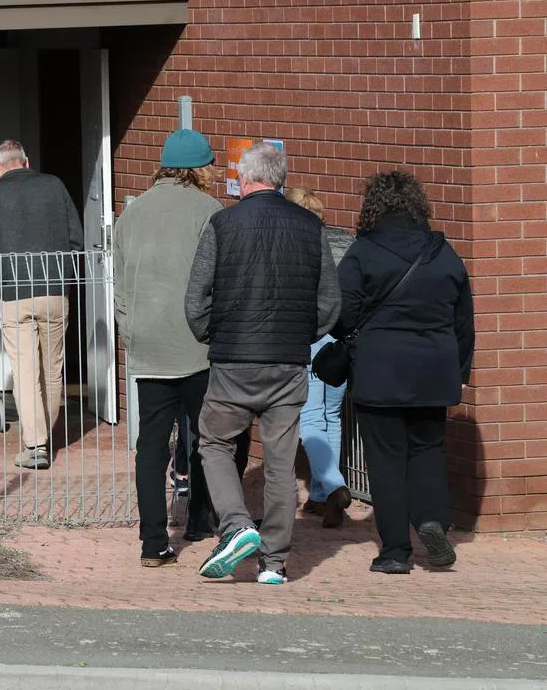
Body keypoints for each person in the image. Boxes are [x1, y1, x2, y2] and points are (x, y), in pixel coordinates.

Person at [185, 142, 340, 585]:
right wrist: (301, 336)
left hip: (233, 359)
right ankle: (274, 563)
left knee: (213, 443)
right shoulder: (311, 227)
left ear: (244, 178)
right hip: (288, 363)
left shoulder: (222, 223)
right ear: (281, 178)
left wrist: (208, 334)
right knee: (280, 463)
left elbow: (196, 298)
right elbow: (329, 302)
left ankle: (236, 525)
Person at [113, 128, 250, 567]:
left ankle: (153, 541)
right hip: (199, 345)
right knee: (214, 439)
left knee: (150, 445)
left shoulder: (131, 213)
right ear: (199, 170)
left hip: (148, 344)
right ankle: (202, 522)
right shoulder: (210, 211)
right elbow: (223, 281)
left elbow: (118, 285)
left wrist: (129, 330)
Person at [333, 170, 474, 574]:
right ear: (419, 206)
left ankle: (395, 551)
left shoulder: (363, 253)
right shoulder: (444, 253)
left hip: (380, 371)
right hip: (434, 371)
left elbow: (343, 315)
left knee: (386, 461)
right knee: (428, 450)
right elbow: (463, 321)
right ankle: (431, 519)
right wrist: (459, 369)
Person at [0, 140, 84, 470]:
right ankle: (44, 439)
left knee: (24, 372)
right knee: (52, 371)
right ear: (26, 161)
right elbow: (76, 240)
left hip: (13, 292)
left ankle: (35, 444)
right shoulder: (55, 186)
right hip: (54, 290)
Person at [285, 188, 355, 528]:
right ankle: (319, 496)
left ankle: (333, 486)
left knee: (310, 420)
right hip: (340, 342)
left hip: (311, 338)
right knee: (332, 416)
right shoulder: (345, 243)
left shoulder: (297, 247)